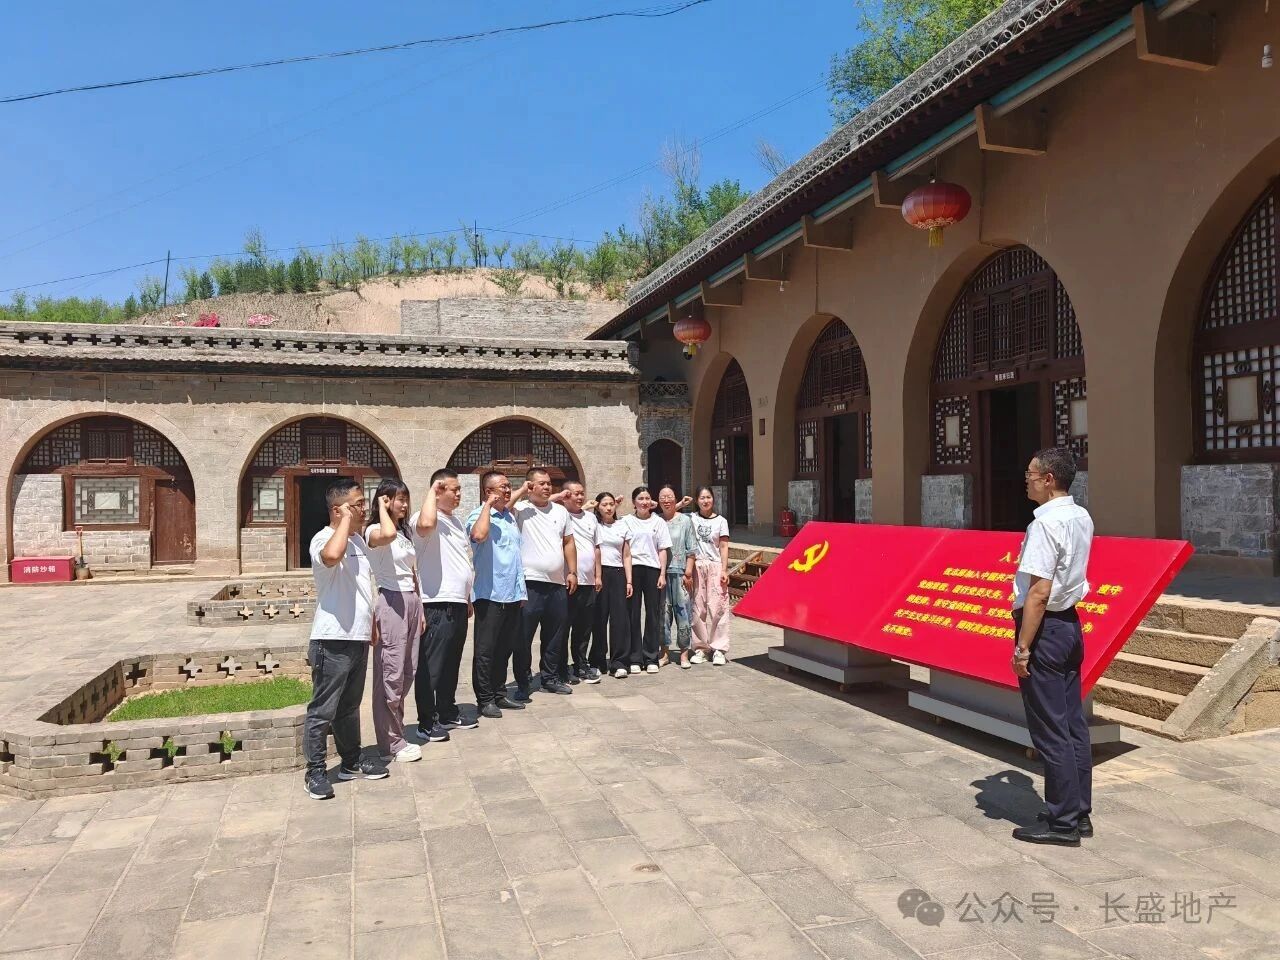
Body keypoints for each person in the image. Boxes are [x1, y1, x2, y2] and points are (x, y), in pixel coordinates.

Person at [1010, 447, 1095, 847]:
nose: (1026, 480)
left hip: (1045, 630)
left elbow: (1039, 592)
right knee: (1073, 723)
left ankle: (1062, 823)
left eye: (1030, 474)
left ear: (1048, 479)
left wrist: (1023, 647)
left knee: (1051, 729)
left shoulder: (1045, 524)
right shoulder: (1081, 516)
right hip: (1070, 626)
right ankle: (1079, 812)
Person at [303, 477, 389, 800]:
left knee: (349, 707)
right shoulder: (323, 538)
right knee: (322, 709)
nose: (364, 510)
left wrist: (371, 624)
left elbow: (365, 587)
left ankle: (351, 761)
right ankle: (315, 771)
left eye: (363, 504)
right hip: (331, 639)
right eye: (357, 505)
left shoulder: (358, 543)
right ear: (338, 510)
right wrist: (344, 522)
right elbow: (331, 556)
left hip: (357, 637)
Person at [411, 468, 476, 743]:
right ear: (438, 491)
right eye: (453, 489)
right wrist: (431, 492)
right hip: (436, 603)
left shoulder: (457, 522)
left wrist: (467, 597)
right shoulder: (423, 517)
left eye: (459, 489)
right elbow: (426, 525)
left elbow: (461, 560)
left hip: (457, 602)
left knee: (451, 663)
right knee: (432, 666)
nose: (459, 493)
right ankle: (426, 721)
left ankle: (447, 711)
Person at [364, 478, 424, 764]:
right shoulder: (374, 530)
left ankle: (396, 732)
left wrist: (420, 609)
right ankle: (390, 743)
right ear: (385, 500)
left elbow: (412, 571)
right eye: (399, 498)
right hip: (390, 601)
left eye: (405, 498)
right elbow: (385, 535)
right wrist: (381, 507)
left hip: (410, 601)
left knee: (408, 670)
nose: (405, 504)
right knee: (391, 673)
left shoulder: (404, 532)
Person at [510, 468, 578, 697]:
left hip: (557, 583)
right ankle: (523, 682)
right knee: (523, 636)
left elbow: (568, 542)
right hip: (529, 582)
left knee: (554, 634)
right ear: (530, 485)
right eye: (541, 483)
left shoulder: (560, 511)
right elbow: (502, 508)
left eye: (549, 483)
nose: (547, 487)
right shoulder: (521, 509)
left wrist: (572, 571)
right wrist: (521, 491)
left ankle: (550, 678)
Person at [468, 471, 527, 719]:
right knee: (485, 651)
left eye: (509, 486)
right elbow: (478, 536)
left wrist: (521, 591)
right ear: (488, 491)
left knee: (504, 649)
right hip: (489, 594)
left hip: (511, 594)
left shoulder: (509, 517)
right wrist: (488, 506)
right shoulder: (479, 515)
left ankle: (499, 693)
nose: (507, 490)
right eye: (502, 486)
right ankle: (485, 699)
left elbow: (515, 557)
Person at [625, 486, 671, 674]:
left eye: (647, 498)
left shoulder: (658, 522)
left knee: (653, 613)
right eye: (640, 499)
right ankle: (634, 657)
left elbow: (662, 549)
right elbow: (624, 549)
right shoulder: (626, 521)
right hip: (633, 570)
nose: (644, 502)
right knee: (632, 613)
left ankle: (651, 656)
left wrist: (662, 574)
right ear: (633, 502)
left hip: (653, 570)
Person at [561, 481, 602, 684]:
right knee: (563, 627)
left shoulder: (591, 518)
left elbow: (596, 547)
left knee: (584, 628)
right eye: (574, 494)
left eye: (581, 493)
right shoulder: (560, 515)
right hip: (567, 582)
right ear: (565, 495)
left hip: (589, 582)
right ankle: (561, 668)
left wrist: (598, 575)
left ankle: (580, 664)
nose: (579, 497)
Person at [689, 486, 732, 665]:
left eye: (708, 497)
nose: (705, 501)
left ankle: (718, 649)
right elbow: (668, 515)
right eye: (701, 498)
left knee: (718, 607)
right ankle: (700, 648)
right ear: (696, 500)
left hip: (715, 566)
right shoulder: (691, 518)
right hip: (697, 565)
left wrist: (724, 569)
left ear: (713, 499)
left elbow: (723, 546)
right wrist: (681, 504)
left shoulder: (721, 521)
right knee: (697, 607)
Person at [593, 493, 633, 679]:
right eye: (604, 504)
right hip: (599, 574)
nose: (608, 508)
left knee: (619, 619)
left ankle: (619, 662)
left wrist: (629, 580)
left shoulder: (622, 525)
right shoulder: (593, 524)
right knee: (599, 619)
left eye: (611, 504)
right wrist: (597, 576)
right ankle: (597, 661)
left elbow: (627, 555)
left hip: (618, 574)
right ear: (598, 507)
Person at [657, 486, 696, 669]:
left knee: (683, 613)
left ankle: (684, 653)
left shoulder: (685, 521)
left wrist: (688, 572)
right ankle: (664, 652)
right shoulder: (656, 520)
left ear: (676, 498)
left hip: (680, 573)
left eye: (670, 496)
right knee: (663, 614)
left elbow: (691, 548)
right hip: (661, 574)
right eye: (662, 497)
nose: (666, 500)